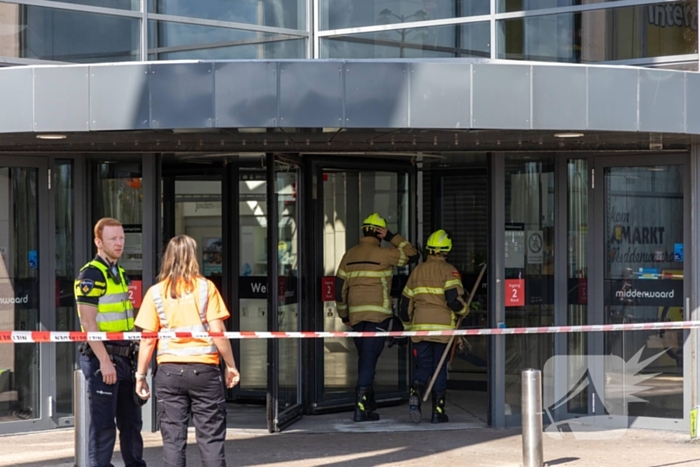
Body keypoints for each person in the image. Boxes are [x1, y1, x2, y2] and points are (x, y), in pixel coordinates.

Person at [134, 235, 240, 467]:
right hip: (205, 371)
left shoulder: (155, 293)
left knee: (173, 440)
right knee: (211, 439)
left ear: (167, 258)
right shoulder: (206, 288)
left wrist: (140, 376)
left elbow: (147, 340)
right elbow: (218, 332)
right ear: (193, 257)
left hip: (169, 373)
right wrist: (230, 365)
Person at [74, 217, 146, 467]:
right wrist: (105, 361)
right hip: (102, 358)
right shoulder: (91, 274)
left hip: (125, 357)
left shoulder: (119, 272)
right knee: (104, 426)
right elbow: (88, 321)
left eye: (122, 238)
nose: (119, 243)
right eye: (113, 239)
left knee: (132, 423)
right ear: (98, 242)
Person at [335, 212, 419, 422]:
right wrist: (392, 236)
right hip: (378, 316)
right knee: (369, 361)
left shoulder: (349, 255)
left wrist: (344, 314)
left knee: (365, 358)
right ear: (379, 233)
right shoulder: (385, 254)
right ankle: (360, 409)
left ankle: (368, 404)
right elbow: (413, 254)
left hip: (356, 316)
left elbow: (338, 290)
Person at [399, 229, 468, 424]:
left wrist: (407, 327)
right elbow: (453, 300)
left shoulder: (417, 271)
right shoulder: (449, 271)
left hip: (420, 328)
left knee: (424, 366)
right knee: (439, 368)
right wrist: (465, 310)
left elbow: (404, 305)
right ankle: (438, 412)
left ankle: (415, 394)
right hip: (443, 329)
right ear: (447, 250)